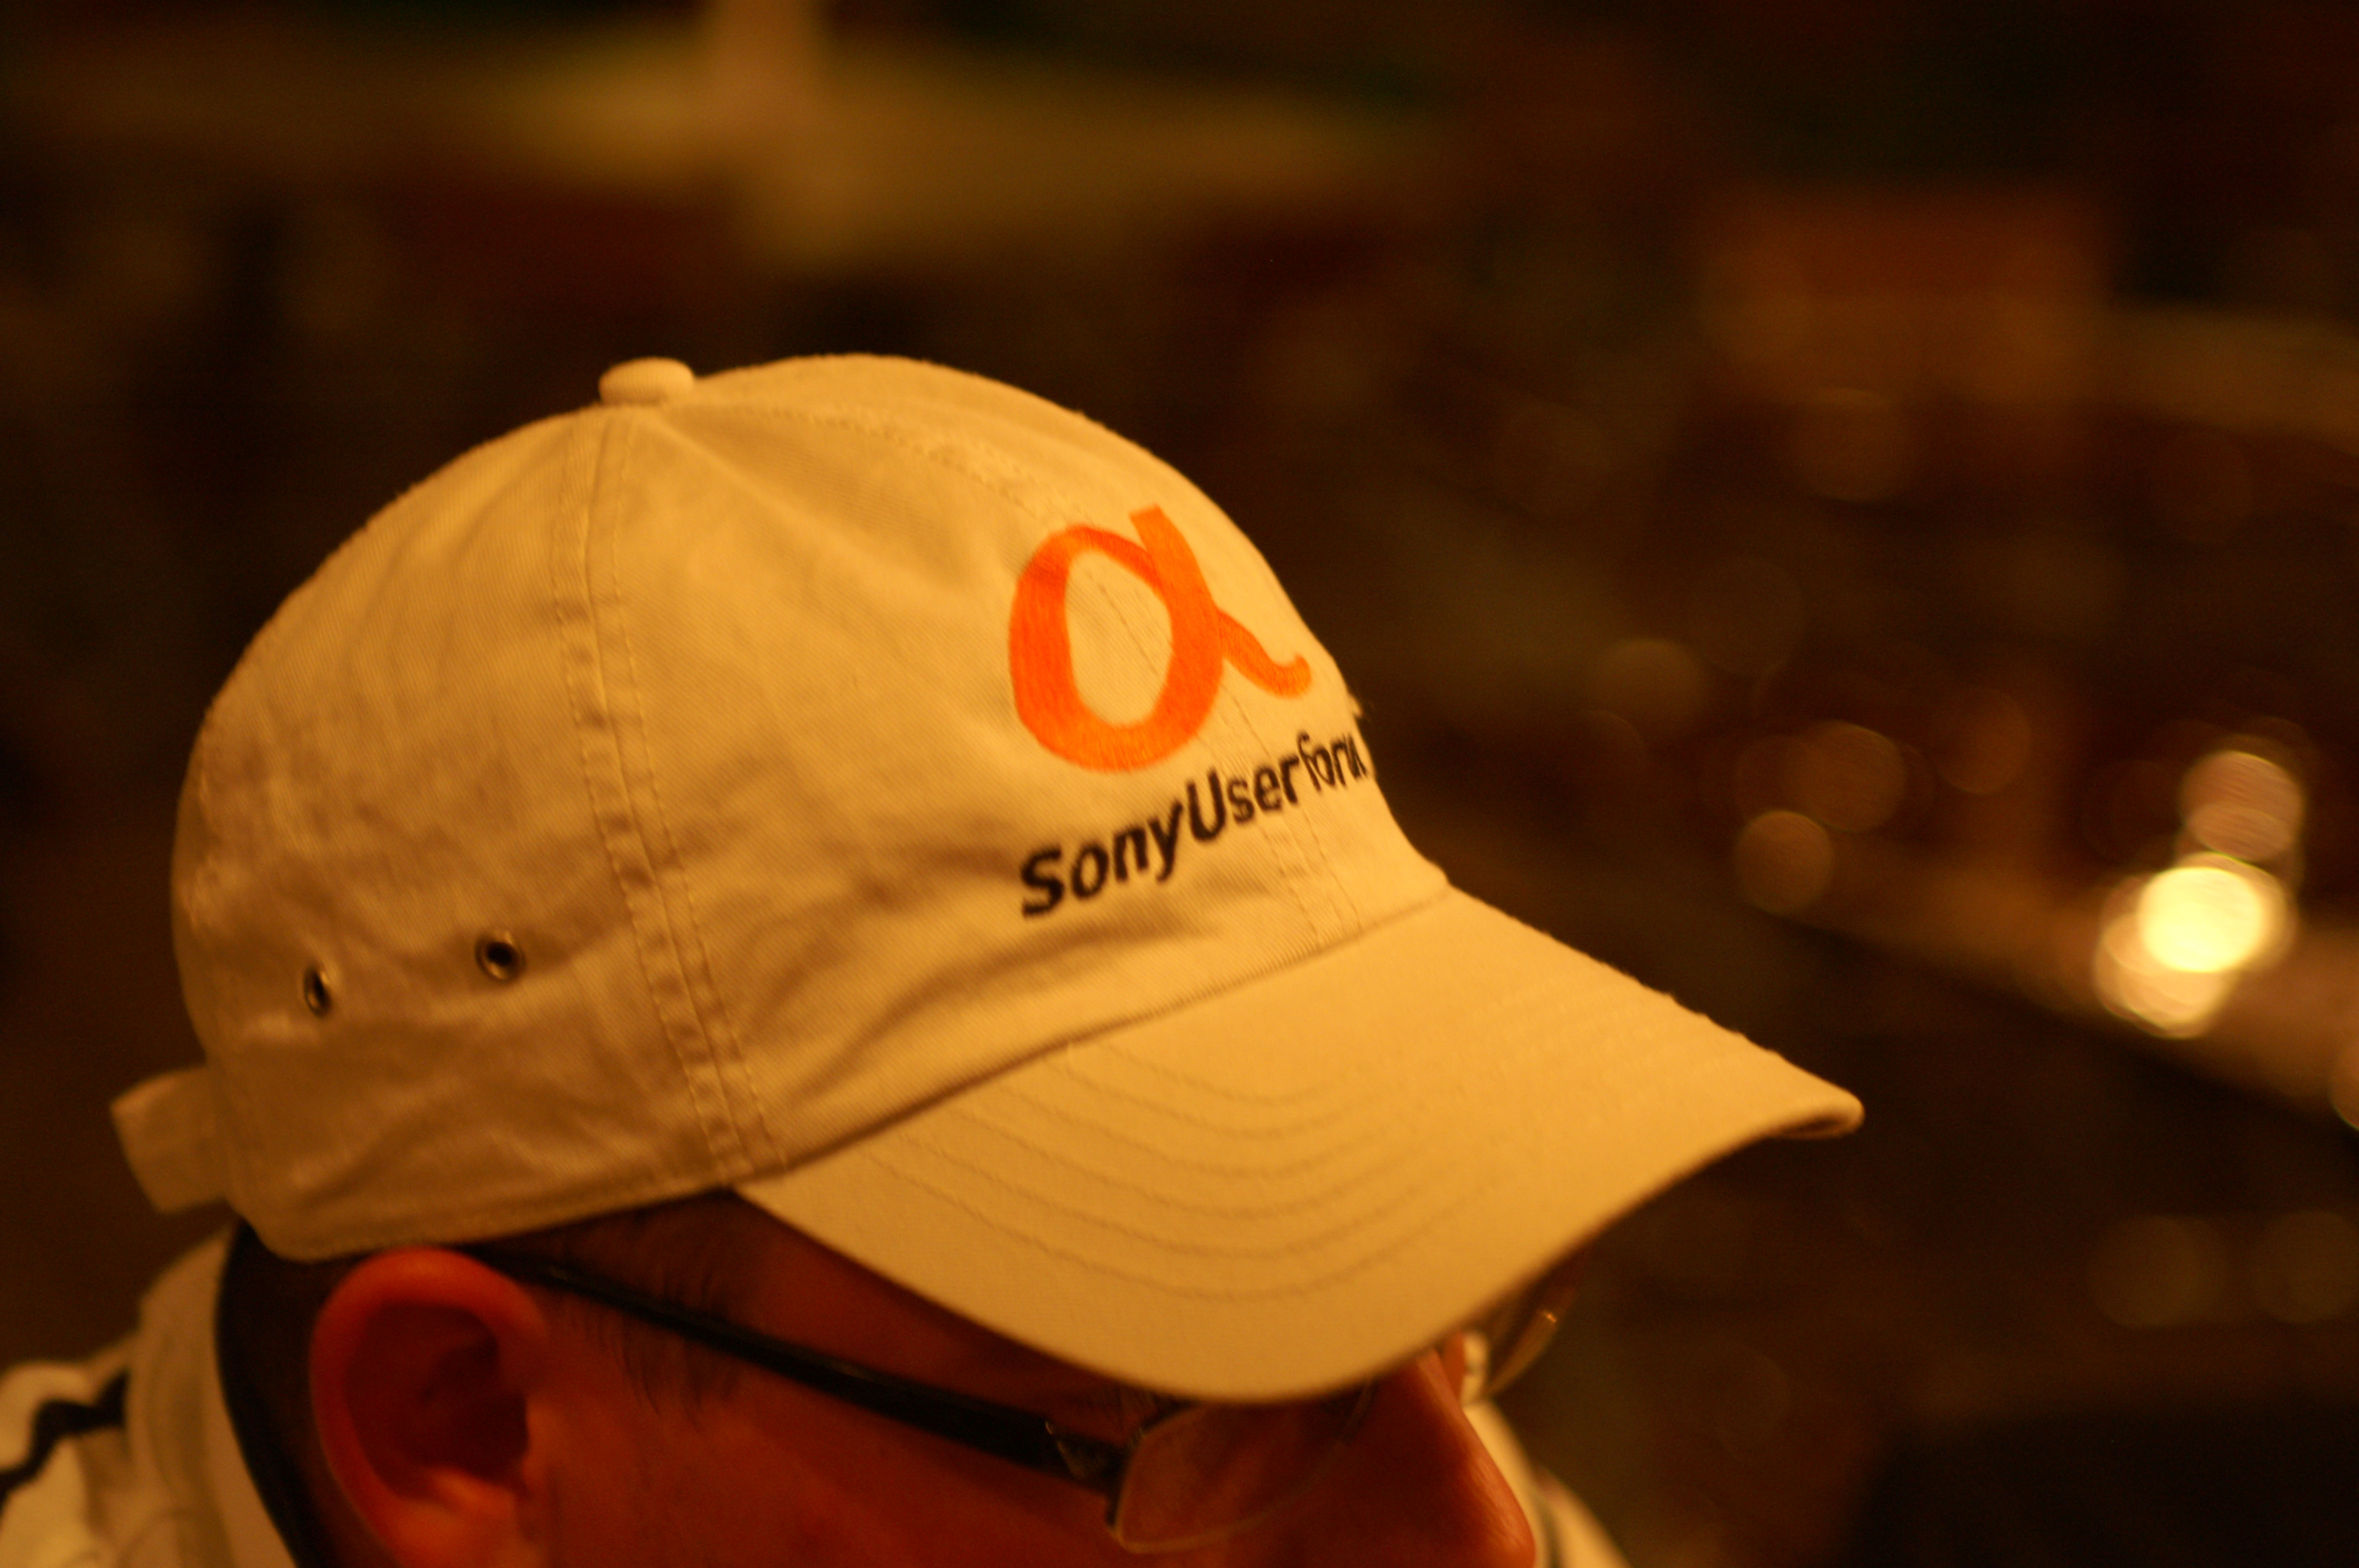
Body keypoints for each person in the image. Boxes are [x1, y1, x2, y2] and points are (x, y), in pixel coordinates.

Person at [0, 354, 1859, 1568]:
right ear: (465, 1429)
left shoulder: (1395, 1472)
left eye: (1430, 1290)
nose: (1488, 1537)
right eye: (1190, 1401)